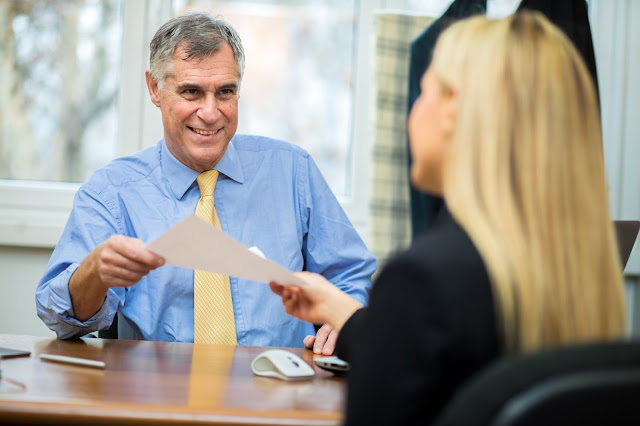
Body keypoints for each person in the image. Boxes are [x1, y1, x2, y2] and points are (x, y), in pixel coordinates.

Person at [270, 11, 626, 425]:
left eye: (423, 92)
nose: (413, 113)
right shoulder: (577, 264)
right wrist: (344, 314)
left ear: (455, 110)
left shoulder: (421, 278)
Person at [35, 12, 376, 351]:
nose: (211, 113)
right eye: (192, 92)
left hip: (279, 389)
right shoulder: (112, 192)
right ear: (155, 88)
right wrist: (94, 272)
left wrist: (339, 318)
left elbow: (349, 271)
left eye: (225, 92)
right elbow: (61, 321)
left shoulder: (293, 171)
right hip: (156, 395)